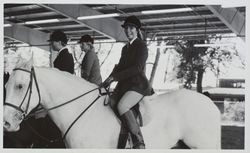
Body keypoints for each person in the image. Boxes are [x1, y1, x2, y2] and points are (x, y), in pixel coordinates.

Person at [102, 15, 153, 149]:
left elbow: (137, 68)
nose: (128, 31)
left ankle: (138, 140)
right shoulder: (125, 48)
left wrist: (115, 78)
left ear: (137, 30)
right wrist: (108, 79)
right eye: (126, 28)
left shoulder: (141, 46)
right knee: (110, 102)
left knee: (122, 106)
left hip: (138, 85)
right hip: (125, 85)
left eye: (131, 28)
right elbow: (120, 67)